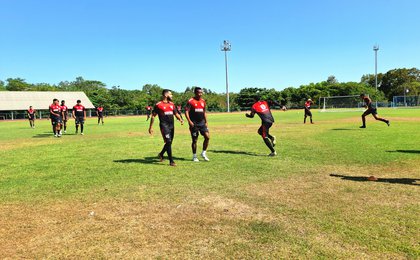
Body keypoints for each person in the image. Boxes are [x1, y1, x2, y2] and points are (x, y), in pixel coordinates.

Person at [148, 89, 184, 166]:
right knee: (168, 142)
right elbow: (153, 116)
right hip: (164, 126)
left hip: (172, 126)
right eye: (170, 94)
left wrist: (180, 119)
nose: (172, 96)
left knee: (169, 142)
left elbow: (176, 113)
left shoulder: (172, 104)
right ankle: (171, 161)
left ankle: (161, 154)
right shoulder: (158, 105)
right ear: (165, 95)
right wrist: (150, 127)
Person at [185, 87, 210, 162]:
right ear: (195, 93)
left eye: (201, 93)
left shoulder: (203, 101)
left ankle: (203, 153)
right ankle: (194, 156)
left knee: (207, 137)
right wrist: (189, 121)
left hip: (202, 123)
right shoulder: (190, 101)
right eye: (199, 93)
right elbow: (186, 112)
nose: (200, 94)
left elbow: (204, 112)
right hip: (194, 124)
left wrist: (206, 121)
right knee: (195, 140)